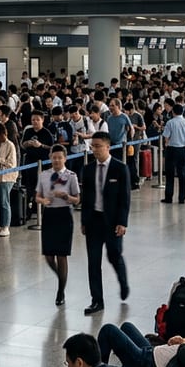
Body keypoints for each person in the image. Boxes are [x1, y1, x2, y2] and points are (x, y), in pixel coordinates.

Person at [80, 132, 131, 316]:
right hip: (94, 222)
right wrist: (84, 221)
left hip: (112, 223)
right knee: (93, 262)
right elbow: (85, 198)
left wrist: (122, 222)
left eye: (98, 146)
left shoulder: (120, 168)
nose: (95, 149)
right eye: (93, 146)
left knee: (114, 255)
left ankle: (123, 282)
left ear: (108, 147)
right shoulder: (88, 169)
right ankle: (97, 300)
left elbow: (125, 198)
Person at [36, 144, 81, 306]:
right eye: (54, 157)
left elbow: (77, 199)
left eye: (59, 157)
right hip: (49, 215)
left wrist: (67, 196)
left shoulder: (71, 176)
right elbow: (37, 196)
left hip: (64, 215)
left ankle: (61, 290)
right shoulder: (44, 175)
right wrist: (43, 201)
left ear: (65, 158)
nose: (56, 160)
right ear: (50, 158)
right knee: (48, 255)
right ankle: (60, 277)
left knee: (62, 255)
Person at [161, 98, 185, 204]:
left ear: (173, 112)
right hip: (183, 149)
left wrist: (167, 144)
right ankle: (182, 197)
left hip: (171, 149)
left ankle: (169, 197)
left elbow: (166, 137)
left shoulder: (170, 122)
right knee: (182, 174)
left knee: (170, 174)